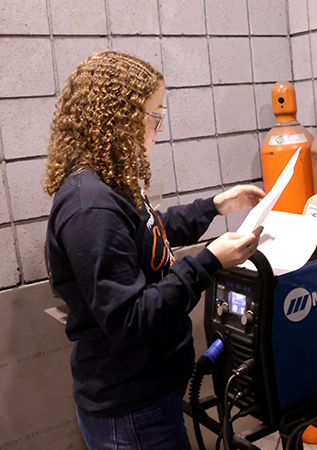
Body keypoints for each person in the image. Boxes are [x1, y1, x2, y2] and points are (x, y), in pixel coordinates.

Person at [44, 50, 265, 449]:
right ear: (119, 118)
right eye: (154, 115)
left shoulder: (110, 184)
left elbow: (149, 232)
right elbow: (131, 319)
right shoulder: (89, 205)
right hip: (130, 412)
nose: (158, 129)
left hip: (150, 397)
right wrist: (208, 262)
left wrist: (214, 207)